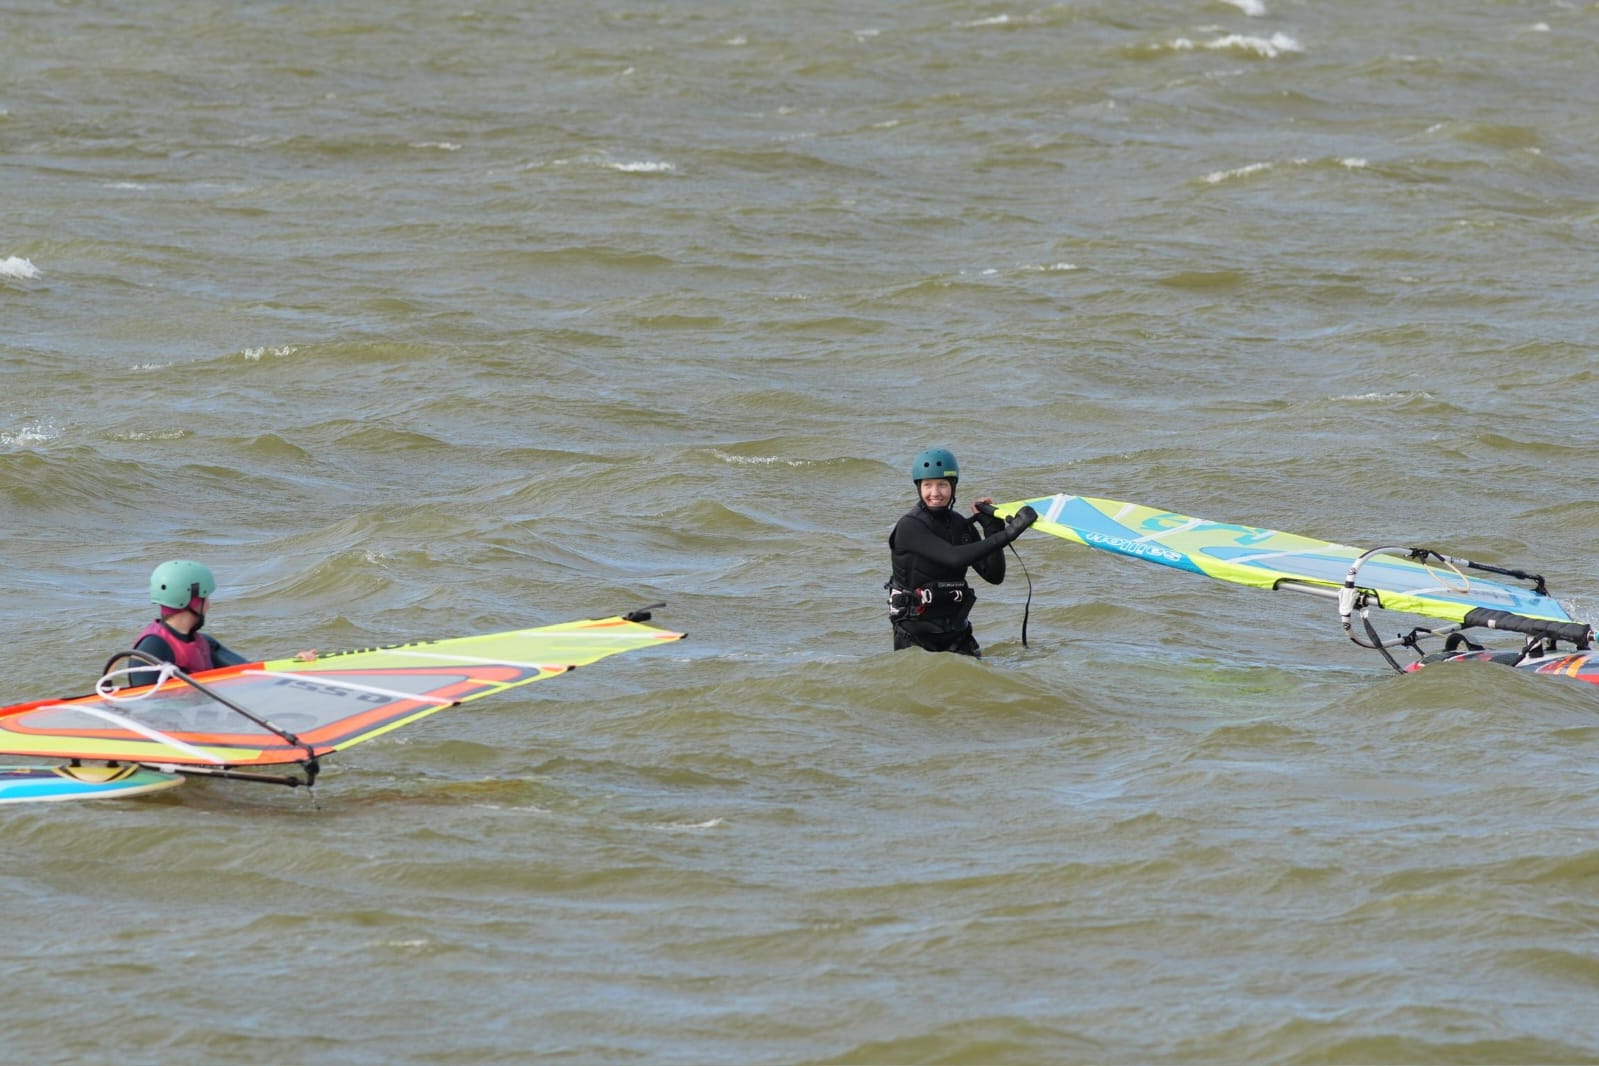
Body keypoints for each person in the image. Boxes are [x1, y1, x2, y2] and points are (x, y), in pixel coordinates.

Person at [886, 448, 1037, 657]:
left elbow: (994, 575)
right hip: (916, 638)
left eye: (942, 485)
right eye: (927, 485)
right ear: (918, 487)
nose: (935, 493)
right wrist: (1010, 534)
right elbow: (954, 557)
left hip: (958, 633)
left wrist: (992, 529)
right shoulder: (910, 526)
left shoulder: (960, 525)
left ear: (953, 486)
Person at [128, 559, 249, 685]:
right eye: (206, 598)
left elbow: (248, 671)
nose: (209, 605)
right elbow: (144, 699)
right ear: (193, 602)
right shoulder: (153, 647)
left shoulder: (205, 643)